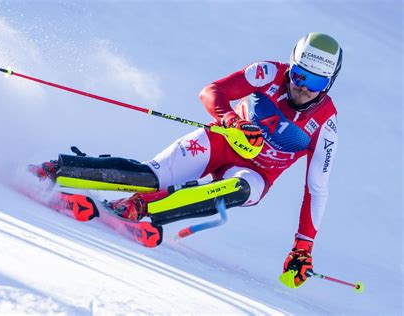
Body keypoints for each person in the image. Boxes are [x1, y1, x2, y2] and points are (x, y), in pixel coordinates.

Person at [31, 32, 342, 288]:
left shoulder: (325, 124)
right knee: (150, 175)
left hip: (257, 173)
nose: (301, 87)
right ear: (291, 65)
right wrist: (233, 121)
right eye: (299, 74)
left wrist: (303, 247)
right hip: (222, 141)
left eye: (314, 83)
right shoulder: (269, 73)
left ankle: (141, 206)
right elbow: (212, 92)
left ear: (327, 85)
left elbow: (316, 189)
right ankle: (56, 170)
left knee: (238, 190)